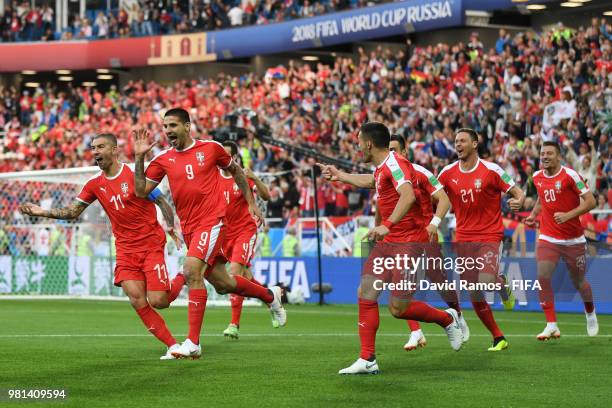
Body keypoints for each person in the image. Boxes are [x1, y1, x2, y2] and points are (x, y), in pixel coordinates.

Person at [133, 108, 286, 360]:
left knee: (192, 271)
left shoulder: (211, 148)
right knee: (224, 284)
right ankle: (270, 295)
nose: (168, 130)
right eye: (165, 126)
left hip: (213, 222)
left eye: (173, 125)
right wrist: (139, 159)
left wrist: (251, 203)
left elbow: (237, 172)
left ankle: (193, 342)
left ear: (187, 126)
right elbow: (141, 191)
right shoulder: (162, 159)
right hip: (190, 228)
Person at [19, 133, 185, 360]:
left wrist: (171, 228)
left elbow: (161, 201)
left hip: (150, 244)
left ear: (115, 150)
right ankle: (173, 346)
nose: (95, 151)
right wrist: (42, 211)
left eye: (101, 147)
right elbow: (72, 212)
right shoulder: (94, 184)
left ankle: (184, 275)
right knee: (136, 298)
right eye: (93, 147)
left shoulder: (133, 175)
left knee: (159, 301)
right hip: (125, 249)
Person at [318, 122, 463, 375]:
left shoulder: (395, 164)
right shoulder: (383, 167)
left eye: (359, 142)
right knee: (365, 292)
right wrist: (340, 175)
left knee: (399, 309)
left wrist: (387, 224)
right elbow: (371, 182)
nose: (358, 146)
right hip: (388, 244)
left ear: (369, 143)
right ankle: (367, 359)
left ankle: (447, 319)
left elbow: (407, 195)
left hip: (409, 243)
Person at [437, 128, 525, 352]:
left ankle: (501, 284)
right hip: (464, 237)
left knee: (486, 281)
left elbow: (518, 193)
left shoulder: (491, 170)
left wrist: (518, 201)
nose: (458, 144)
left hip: (489, 235)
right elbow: (432, 194)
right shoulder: (447, 173)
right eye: (456, 141)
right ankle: (498, 337)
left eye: (463, 140)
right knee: (474, 292)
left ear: (475, 144)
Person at [388, 134, 466, 352]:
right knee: (400, 288)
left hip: (425, 240)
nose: (391, 155)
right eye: (388, 150)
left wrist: (434, 222)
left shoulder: (420, 173)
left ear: (405, 152)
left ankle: (456, 315)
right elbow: (381, 206)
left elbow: (444, 199)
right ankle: (415, 330)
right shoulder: (385, 173)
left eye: (395, 150)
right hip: (399, 241)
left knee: (439, 283)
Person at [524, 141, 598, 340]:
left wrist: (568, 215)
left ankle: (590, 312)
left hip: (574, 240)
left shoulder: (570, 176)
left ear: (559, 157)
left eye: (549, 153)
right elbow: (541, 198)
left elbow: (591, 201)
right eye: (542, 153)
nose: (545, 156)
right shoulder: (537, 176)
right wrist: (533, 214)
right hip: (549, 236)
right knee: (543, 275)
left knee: (578, 281)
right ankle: (551, 324)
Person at [219, 140, 271, 339]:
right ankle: (271, 298)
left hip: (244, 231)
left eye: (227, 155)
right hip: (225, 235)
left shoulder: (240, 177)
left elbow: (266, 197)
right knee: (246, 278)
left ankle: (234, 324)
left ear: (234, 158)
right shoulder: (214, 178)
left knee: (234, 274)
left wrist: (255, 178)